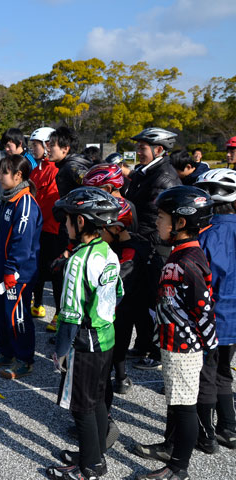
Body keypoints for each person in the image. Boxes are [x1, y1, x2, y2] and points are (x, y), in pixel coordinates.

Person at [132, 186, 217, 480]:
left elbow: (203, 307)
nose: (157, 221)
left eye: (162, 216)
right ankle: (170, 447)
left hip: (184, 347)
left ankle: (178, 466)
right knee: (175, 401)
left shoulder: (187, 261)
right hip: (171, 342)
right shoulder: (178, 254)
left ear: (181, 223)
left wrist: (209, 344)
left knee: (184, 406)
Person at [47, 187, 122, 480]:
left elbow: (69, 312)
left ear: (80, 222)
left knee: (81, 406)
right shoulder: (108, 251)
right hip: (107, 336)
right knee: (98, 399)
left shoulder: (78, 260)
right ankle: (95, 452)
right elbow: (118, 291)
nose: (64, 224)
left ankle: (90, 467)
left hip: (85, 341)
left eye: (68, 219)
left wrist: (61, 351)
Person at [125, 127, 181, 371]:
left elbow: (153, 219)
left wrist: (133, 237)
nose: (138, 151)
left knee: (152, 302)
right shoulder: (145, 172)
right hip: (141, 243)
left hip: (154, 248)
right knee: (138, 299)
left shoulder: (163, 177)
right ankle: (144, 343)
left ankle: (156, 352)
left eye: (143, 147)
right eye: (138, 146)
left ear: (159, 150)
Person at [0, 154, 42, 379]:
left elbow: (22, 243)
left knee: (16, 315)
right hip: (2, 270)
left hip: (17, 274)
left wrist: (11, 271)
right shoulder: (9, 199)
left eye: (5, 171)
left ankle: (25, 359)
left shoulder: (25, 203)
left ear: (18, 175)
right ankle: (6, 353)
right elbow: (0, 238)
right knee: (0, 310)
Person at [195, 169, 236, 451]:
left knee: (205, 375)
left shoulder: (206, 235)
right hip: (233, 319)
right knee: (225, 372)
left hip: (213, 317)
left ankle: (206, 434)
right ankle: (229, 428)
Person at [98, 198, 149, 397]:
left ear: (117, 229)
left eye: (102, 228)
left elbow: (117, 280)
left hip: (126, 306)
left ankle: (117, 378)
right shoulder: (120, 244)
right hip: (123, 305)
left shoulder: (131, 251)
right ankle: (118, 376)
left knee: (117, 344)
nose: (99, 233)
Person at [46, 126, 92, 332]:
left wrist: (65, 210)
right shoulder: (69, 166)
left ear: (65, 149)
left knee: (71, 281)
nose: (48, 149)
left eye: (52, 145)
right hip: (72, 232)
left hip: (78, 235)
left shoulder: (73, 168)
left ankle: (74, 332)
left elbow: (93, 193)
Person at [28, 127, 59, 323]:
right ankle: (37, 304)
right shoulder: (36, 169)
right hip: (38, 228)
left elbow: (50, 202)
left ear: (47, 145)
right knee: (36, 268)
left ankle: (58, 312)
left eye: (36, 145)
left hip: (52, 229)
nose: (33, 149)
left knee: (56, 274)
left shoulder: (54, 170)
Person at [82, 163, 139, 233]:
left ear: (108, 189)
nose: (89, 194)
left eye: (93, 190)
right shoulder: (106, 205)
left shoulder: (123, 210)